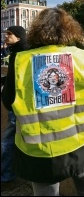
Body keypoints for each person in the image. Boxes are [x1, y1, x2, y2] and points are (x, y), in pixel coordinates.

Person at [2, 7, 84, 196]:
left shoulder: (21, 59)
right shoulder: (81, 56)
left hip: (39, 150)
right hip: (82, 141)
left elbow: (8, 101)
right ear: (69, 30)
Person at [1, 26, 30, 191]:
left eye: (9, 34)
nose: (6, 36)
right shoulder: (17, 51)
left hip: (17, 106)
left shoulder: (22, 53)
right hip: (16, 105)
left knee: (7, 142)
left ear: (18, 37)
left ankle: (6, 177)